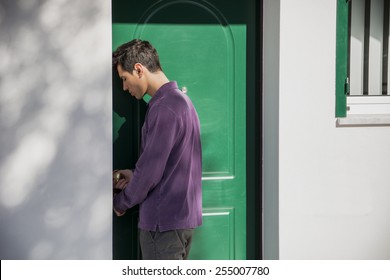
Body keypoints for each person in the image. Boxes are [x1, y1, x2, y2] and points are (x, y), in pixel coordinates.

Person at [112, 39, 202, 260]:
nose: (124, 87)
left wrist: (121, 202)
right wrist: (134, 175)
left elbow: (150, 173)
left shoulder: (164, 108)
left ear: (139, 69)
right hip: (181, 222)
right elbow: (172, 165)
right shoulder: (184, 102)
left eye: (124, 78)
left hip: (162, 227)